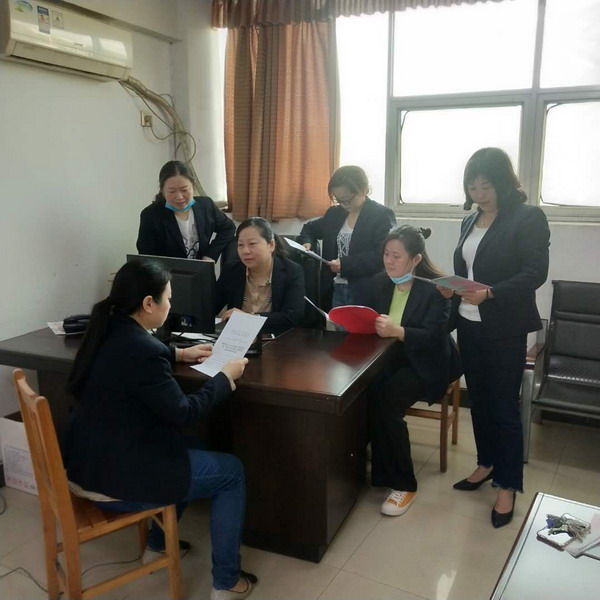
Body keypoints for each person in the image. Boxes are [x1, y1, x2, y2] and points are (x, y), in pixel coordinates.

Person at [62, 259, 256, 600]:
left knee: (186, 448)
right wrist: (225, 377)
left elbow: (137, 356)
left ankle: (156, 546)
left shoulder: (105, 330)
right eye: (168, 297)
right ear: (148, 303)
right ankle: (226, 582)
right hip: (115, 482)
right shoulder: (143, 352)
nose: (171, 304)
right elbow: (184, 412)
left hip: (83, 466)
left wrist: (177, 353)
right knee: (231, 472)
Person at [445, 147, 550, 529]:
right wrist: (454, 288)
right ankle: (486, 463)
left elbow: (535, 272)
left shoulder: (527, 217)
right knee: (481, 403)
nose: (479, 194)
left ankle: (508, 485)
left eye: (486, 186)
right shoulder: (469, 220)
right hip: (469, 322)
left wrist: (490, 293)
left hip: (504, 327)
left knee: (504, 407)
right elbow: (469, 268)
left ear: (504, 183)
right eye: (472, 187)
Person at [358, 226, 461, 516]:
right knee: (361, 391)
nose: (389, 261)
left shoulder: (435, 289)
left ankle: (405, 484)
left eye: (397, 256)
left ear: (416, 259)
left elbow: (434, 337)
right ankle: (378, 470)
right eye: (386, 254)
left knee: (387, 401)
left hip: (427, 363)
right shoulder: (380, 282)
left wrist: (398, 331)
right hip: (390, 358)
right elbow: (371, 321)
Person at [297, 166, 396, 311]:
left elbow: (382, 254)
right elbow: (309, 229)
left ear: (363, 190)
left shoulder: (381, 215)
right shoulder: (335, 213)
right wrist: (307, 242)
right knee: (333, 325)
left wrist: (345, 264)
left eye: (348, 199)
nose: (344, 204)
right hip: (334, 288)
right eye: (339, 200)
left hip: (365, 290)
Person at [216, 217, 305, 331]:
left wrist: (248, 318)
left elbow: (292, 316)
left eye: (252, 244)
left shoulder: (292, 271)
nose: (245, 251)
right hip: (237, 335)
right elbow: (211, 306)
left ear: (271, 245)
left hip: (276, 336)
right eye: (240, 245)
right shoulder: (232, 270)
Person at [137, 160, 235, 262]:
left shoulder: (206, 206)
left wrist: (211, 255)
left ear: (193, 186)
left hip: (201, 270)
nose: (179, 197)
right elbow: (146, 256)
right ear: (162, 191)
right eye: (172, 191)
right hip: (167, 271)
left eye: (184, 190)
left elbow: (228, 228)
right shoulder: (151, 215)